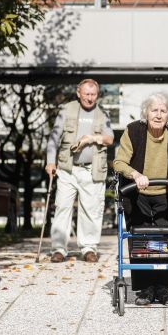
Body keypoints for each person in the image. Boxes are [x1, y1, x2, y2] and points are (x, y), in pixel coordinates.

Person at [113, 91, 168, 306]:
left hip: (166, 196)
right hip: (137, 194)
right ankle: (146, 289)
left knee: (164, 241)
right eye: (154, 110)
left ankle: (163, 288)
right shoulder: (133, 131)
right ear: (146, 113)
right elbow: (119, 162)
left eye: (163, 110)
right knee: (141, 241)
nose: (158, 115)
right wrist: (136, 174)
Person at [45, 79, 114, 263]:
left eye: (93, 94)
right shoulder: (67, 110)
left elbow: (109, 138)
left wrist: (91, 138)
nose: (90, 98)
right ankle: (58, 249)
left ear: (97, 95)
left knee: (91, 210)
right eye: (86, 94)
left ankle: (89, 248)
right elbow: (54, 137)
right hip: (67, 169)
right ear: (78, 93)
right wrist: (50, 162)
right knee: (62, 208)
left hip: (92, 170)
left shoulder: (102, 114)